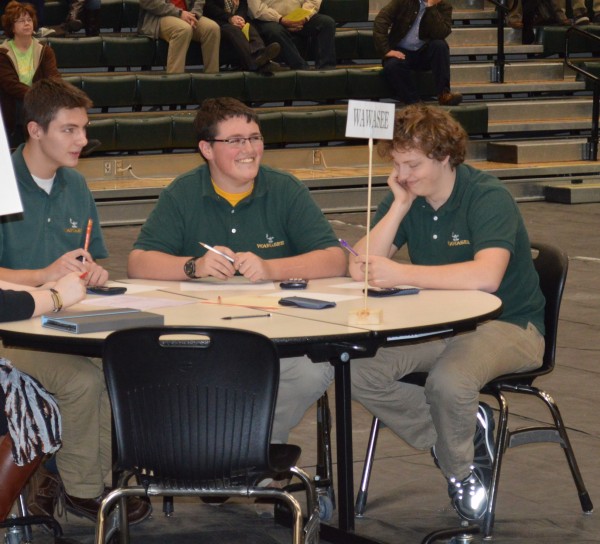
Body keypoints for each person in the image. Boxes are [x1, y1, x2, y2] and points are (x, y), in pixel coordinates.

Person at [348, 104, 545, 521]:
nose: (402, 174)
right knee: (354, 369)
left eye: (412, 164)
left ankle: (462, 470)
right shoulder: (407, 194)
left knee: (448, 382)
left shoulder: (487, 196)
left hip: (509, 325)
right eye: (397, 163)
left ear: (443, 157)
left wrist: (403, 272)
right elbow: (358, 264)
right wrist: (399, 206)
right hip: (439, 328)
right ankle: (462, 431)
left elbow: (487, 276)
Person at [128, 97, 346, 447]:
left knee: (313, 371)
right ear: (206, 149)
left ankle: (245, 451)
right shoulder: (182, 193)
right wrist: (192, 267)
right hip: (200, 342)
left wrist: (270, 267)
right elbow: (139, 262)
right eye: (235, 141)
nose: (249, 149)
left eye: (255, 138)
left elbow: (335, 259)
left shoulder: (285, 189)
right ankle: (220, 452)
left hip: (276, 341)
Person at [0, 78, 152, 527]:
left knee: (111, 369)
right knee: (80, 383)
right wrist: (44, 279)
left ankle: (96, 478)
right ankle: (83, 488)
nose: (82, 140)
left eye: (84, 129)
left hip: (63, 320)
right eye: (69, 130)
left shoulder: (76, 186)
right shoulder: (3, 181)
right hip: (11, 329)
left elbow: (87, 259)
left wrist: (92, 272)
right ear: (35, 130)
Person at [373, 0, 462, 106]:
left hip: (423, 52)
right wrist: (386, 50)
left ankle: (444, 95)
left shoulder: (444, 6)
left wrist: (431, 8)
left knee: (440, 45)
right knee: (392, 65)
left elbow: (441, 32)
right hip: (401, 52)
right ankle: (414, 102)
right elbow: (381, 20)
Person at [0, 1, 60, 148]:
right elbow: (11, 85)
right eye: (21, 21)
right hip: (13, 105)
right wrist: (37, 97)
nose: (27, 23)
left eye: (29, 20)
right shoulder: (2, 53)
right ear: (11, 27)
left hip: (39, 104)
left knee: (60, 100)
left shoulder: (45, 51)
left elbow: (54, 78)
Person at [247, 0, 336, 70]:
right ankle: (301, 67)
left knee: (327, 23)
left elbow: (313, 1)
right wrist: (280, 19)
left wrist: (303, 16)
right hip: (270, 19)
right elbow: (256, 9)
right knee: (275, 31)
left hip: (300, 17)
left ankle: (326, 69)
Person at [138, 0, 221, 74]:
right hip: (159, 16)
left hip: (188, 14)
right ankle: (175, 82)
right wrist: (179, 13)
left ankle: (211, 80)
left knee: (212, 28)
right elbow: (147, 2)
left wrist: (195, 14)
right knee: (183, 29)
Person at [204, 0, 281, 73]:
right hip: (219, 21)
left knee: (250, 28)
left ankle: (261, 55)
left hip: (236, 20)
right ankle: (255, 63)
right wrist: (230, 18)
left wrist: (240, 18)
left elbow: (243, 5)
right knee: (234, 30)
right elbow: (210, 8)